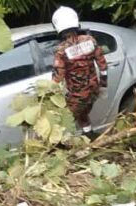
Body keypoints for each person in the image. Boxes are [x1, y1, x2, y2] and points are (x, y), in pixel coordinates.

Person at [51, 6, 107, 138]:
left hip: (78, 95)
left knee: (64, 121)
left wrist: (48, 91)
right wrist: (103, 86)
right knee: (83, 113)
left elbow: (58, 77)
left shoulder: (61, 50)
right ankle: (89, 135)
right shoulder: (90, 41)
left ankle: (60, 145)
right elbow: (103, 65)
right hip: (93, 90)